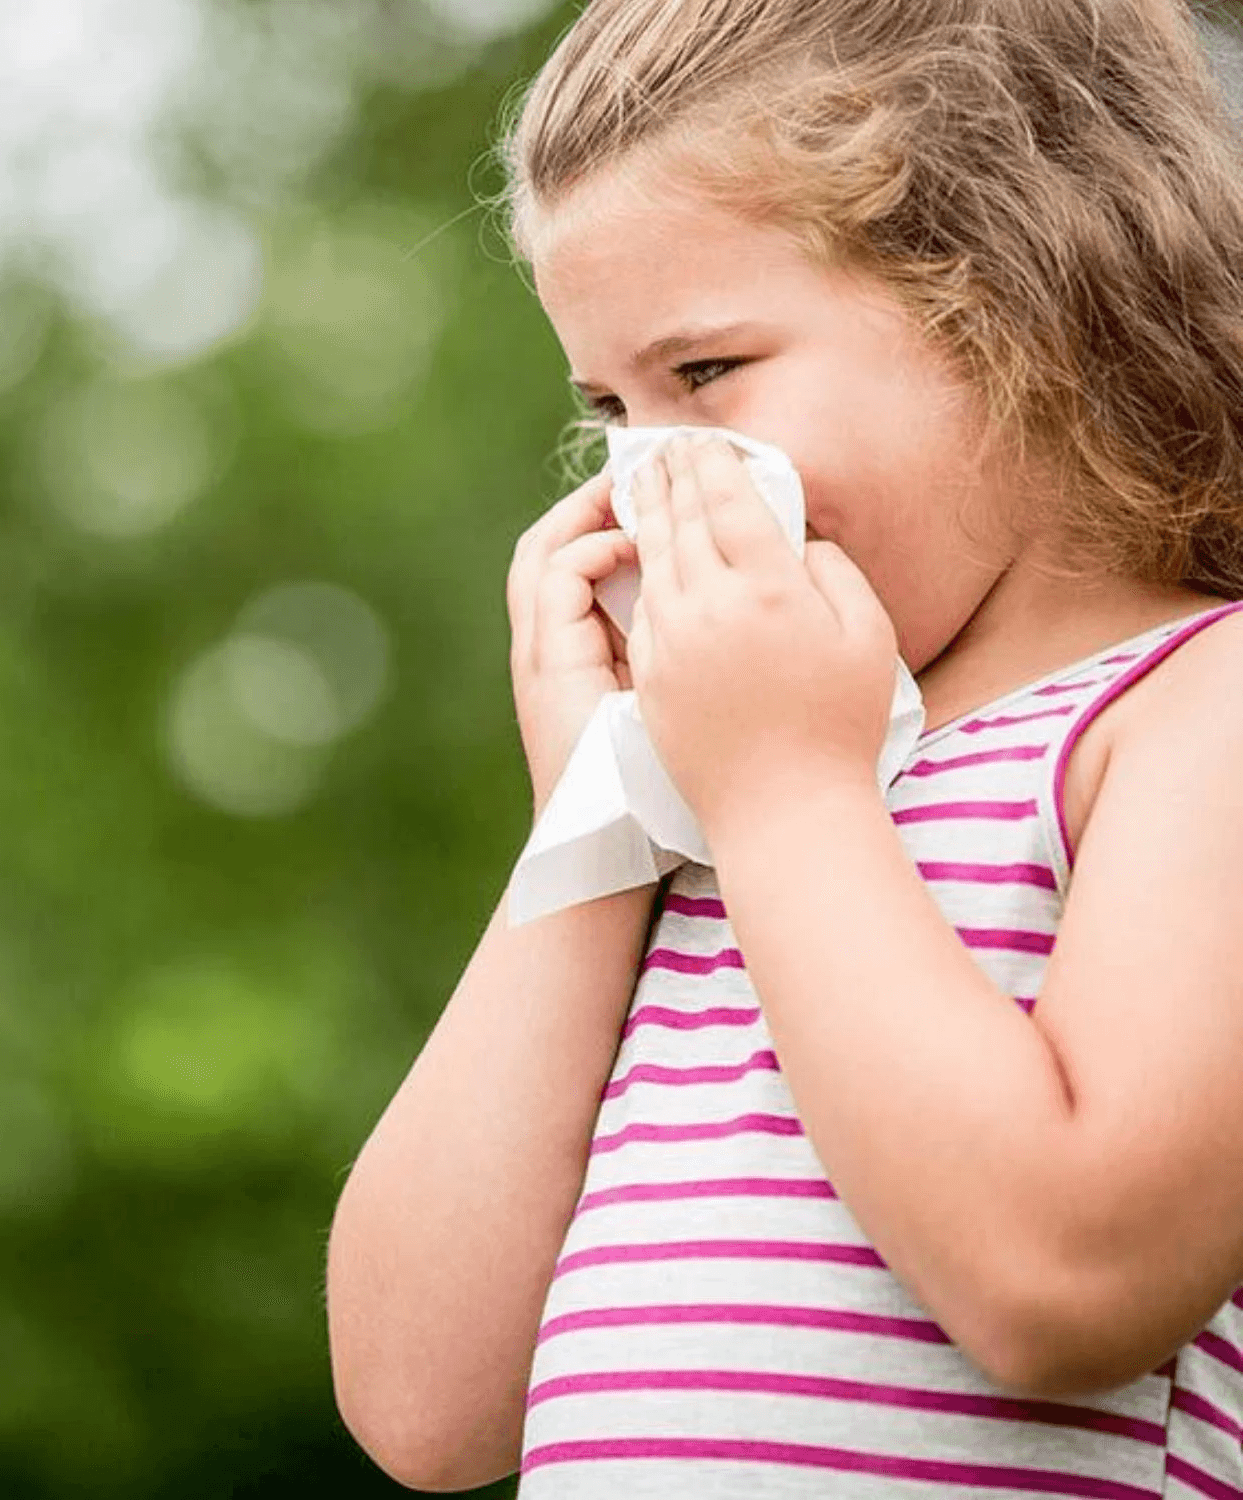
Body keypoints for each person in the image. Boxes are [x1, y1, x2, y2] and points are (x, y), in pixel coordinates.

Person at [326, 1, 1243, 1494]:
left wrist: (780, 793)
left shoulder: (1193, 711)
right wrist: (596, 816)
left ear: (1012, 299)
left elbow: (1063, 1283)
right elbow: (425, 1405)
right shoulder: (732, 792)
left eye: (701, 376)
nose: (653, 472)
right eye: (606, 409)